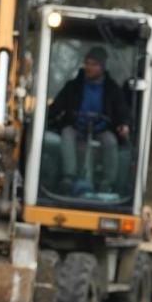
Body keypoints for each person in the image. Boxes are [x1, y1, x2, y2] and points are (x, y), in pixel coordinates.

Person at [47, 45, 131, 194]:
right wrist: (45, 119)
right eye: (87, 63)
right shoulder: (73, 86)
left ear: (102, 67)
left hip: (101, 129)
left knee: (110, 141)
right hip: (76, 127)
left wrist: (124, 124)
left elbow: (122, 110)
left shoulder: (112, 89)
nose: (89, 67)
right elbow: (56, 107)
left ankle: (108, 182)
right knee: (67, 134)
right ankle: (69, 176)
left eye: (94, 64)